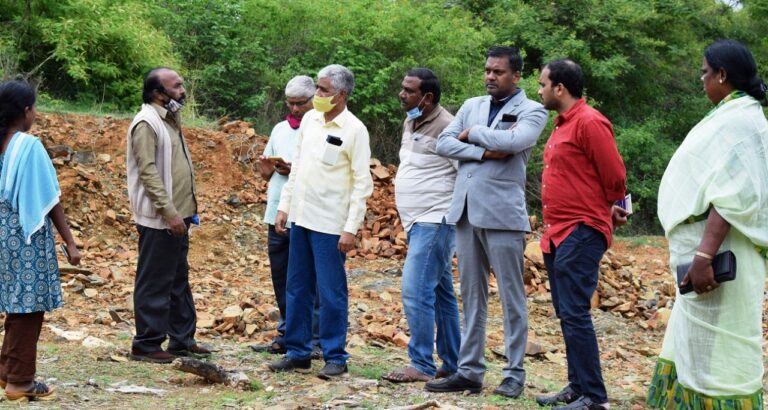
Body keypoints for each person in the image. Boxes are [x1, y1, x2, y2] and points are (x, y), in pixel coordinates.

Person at [647, 39, 768, 409]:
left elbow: (733, 195)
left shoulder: (744, 122)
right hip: (704, 258)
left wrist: (703, 255)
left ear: (722, 74)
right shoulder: (730, 115)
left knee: (722, 351)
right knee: (697, 350)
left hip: (716, 258)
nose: (701, 80)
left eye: (704, 72)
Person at [425, 46, 547, 398]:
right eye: (488, 70)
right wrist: (484, 150)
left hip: (503, 215)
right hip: (464, 211)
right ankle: (470, 370)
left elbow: (516, 141)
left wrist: (474, 133)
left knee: (511, 296)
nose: (490, 76)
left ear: (516, 75)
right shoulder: (471, 104)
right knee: (472, 295)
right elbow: (444, 144)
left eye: (498, 72)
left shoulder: (532, 110)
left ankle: (513, 372)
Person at [268, 64, 373, 379]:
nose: (317, 95)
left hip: (330, 225)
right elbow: (298, 165)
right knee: (297, 288)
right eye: (318, 88)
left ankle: (335, 356)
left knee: (330, 292)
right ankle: (298, 351)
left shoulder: (355, 130)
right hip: (301, 218)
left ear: (340, 95)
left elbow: (361, 184)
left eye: (323, 90)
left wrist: (350, 228)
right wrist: (284, 207)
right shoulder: (312, 120)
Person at [534, 59, 627, 410]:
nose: (539, 90)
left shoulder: (590, 121)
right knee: (566, 312)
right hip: (557, 233)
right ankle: (577, 387)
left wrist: (608, 207)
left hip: (581, 230)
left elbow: (615, 175)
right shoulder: (561, 125)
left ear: (560, 88)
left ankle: (595, 398)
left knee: (575, 312)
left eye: (543, 84)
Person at [0, 80, 81, 401]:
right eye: (34, 107)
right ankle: (20, 380)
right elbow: (50, 199)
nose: (36, 113)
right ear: (25, 111)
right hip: (25, 234)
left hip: (2, 235)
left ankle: (7, 370)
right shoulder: (29, 147)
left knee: (13, 302)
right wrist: (70, 243)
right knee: (28, 307)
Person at [381, 68, 460, 383]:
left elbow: (464, 173)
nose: (402, 94)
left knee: (415, 290)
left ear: (427, 97)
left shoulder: (449, 127)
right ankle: (453, 363)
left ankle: (422, 364)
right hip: (417, 221)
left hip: (436, 219)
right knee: (441, 293)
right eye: (402, 88)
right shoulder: (410, 120)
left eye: (408, 90)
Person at [126, 67, 210, 363]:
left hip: (180, 215)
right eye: (176, 87)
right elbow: (148, 172)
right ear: (157, 94)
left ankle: (181, 339)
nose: (182, 91)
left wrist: (186, 213)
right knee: (155, 279)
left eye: (182, 85)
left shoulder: (170, 118)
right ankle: (146, 344)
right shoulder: (146, 123)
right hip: (161, 218)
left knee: (177, 277)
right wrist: (170, 213)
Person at [251, 75, 322, 359]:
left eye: (300, 104)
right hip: (276, 212)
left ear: (313, 100)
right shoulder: (280, 129)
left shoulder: (321, 129)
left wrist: (297, 169)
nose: (294, 109)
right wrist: (267, 166)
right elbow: (265, 172)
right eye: (290, 104)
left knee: (308, 281)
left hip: (306, 215)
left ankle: (314, 339)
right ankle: (287, 332)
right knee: (281, 277)